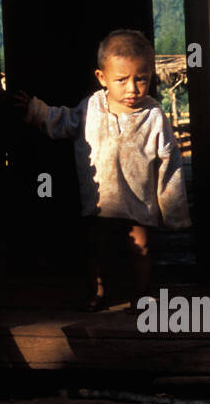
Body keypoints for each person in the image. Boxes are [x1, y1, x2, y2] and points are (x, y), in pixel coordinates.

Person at [13, 29, 191, 310]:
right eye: (122, 80)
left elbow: (170, 162)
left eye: (141, 79)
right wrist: (36, 110)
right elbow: (65, 120)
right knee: (98, 249)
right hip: (100, 201)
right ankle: (98, 293)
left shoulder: (154, 115)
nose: (132, 88)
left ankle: (142, 295)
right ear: (102, 77)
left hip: (139, 201)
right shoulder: (91, 108)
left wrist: (173, 209)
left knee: (142, 249)